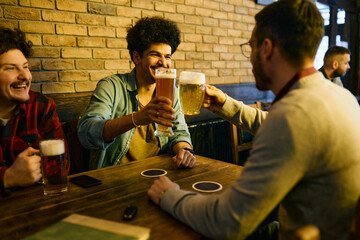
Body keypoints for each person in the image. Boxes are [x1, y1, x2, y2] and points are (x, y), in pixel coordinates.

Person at [147, 1, 360, 239]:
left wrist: (169, 195)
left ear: (266, 48)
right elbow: (278, 125)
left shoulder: (292, 115)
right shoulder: (342, 98)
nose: (249, 56)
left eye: (251, 45)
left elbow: (228, 222)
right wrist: (225, 105)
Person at [77, 17, 195, 170]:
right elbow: (87, 132)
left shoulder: (172, 90)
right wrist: (137, 118)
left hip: (159, 174)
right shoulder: (111, 86)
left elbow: (179, 132)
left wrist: (183, 151)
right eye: (155, 54)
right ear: (137, 57)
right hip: (115, 179)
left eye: (167, 56)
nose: (163, 63)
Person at [0, 27, 68, 197]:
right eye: (11, 68)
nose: (25, 76)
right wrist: (8, 178)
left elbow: (63, 164)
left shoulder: (42, 106)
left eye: (25, 67)